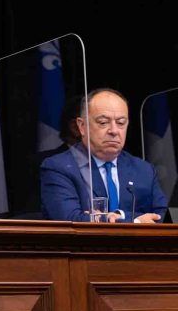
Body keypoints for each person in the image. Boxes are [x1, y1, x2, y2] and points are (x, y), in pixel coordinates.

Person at [40, 88, 166, 223]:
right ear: (82, 126)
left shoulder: (144, 170)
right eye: (103, 123)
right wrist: (136, 222)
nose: (114, 131)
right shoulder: (59, 167)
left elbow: (161, 216)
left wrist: (120, 215)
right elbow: (69, 220)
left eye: (121, 123)